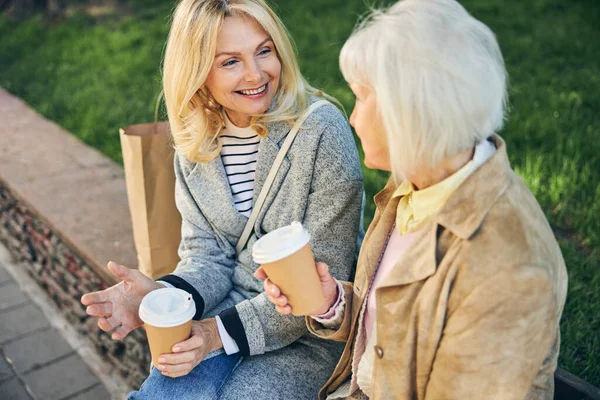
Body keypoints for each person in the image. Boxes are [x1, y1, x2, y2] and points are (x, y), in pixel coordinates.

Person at [259, 0, 569, 399]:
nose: (352, 118)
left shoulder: (509, 268)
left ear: (408, 110)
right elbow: (399, 333)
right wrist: (330, 301)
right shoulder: (413, 189)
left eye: (361, 97)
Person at [80, 0, 364, 398]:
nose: (256, 73)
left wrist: (214, 334)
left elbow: (318, 286)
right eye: (230, 62)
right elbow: (207, 254)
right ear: (198, 73)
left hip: (310, 332)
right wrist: (165, 296)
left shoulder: (320, 131)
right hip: (219, 319)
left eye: (264, 50)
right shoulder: (196, 146)